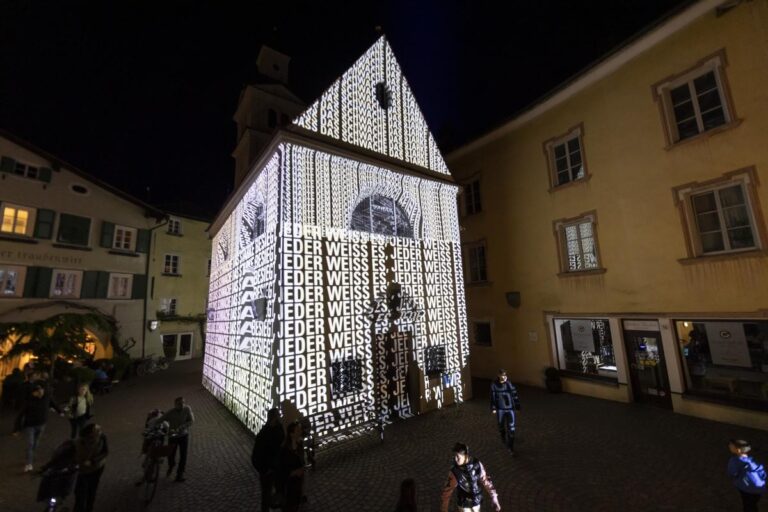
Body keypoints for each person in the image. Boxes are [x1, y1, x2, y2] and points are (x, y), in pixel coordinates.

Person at [13, 383, 64, 472]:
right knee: (30, 443)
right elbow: (20, 415)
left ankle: (30, 455)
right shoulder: (29, 401)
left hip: (41, 425)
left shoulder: (47, 398)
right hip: (30, 426)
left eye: (41, 390)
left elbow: (53, 404)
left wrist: (60, 412)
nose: (40, 392)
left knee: (35, 443)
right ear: (34, 393)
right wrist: (17, 429)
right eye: (38, 391)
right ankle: (29, 463)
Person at [440, 443, 500, 512]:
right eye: (454, 456)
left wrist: (494, 497)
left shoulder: (476, 464)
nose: (455, 459)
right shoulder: (455, 472)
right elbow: (447, 491)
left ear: (465, 456)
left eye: (458, 457)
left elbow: (486, 480)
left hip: (477, 502)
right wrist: (444, 508)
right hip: (464, 506)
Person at [252, 408, 285, 512]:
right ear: (274, 418)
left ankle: (276, 505)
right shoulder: (263, 435)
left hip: (277, 468)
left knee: (279, 491)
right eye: (278, 416)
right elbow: (256, 457)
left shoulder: (278, 429)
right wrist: (264, 470)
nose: (280, 417)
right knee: (266, 495)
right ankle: (272, 505)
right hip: (269, 471)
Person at [158, 396, 194, 482]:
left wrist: (183, 427)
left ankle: (179, 474)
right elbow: (161, 419)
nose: (182, 405)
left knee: (183, 456)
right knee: (171, 455)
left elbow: (191, 420)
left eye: (183, 403)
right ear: (175, 405)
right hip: (173, 436)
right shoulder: (171, 413)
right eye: (179, 404)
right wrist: (154, 425)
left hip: (183, 436)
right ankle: (171, 465)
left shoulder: (187, 409)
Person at [727, 439, 766, 512]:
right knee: (753, 504)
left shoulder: (734, 461)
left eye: (731, 446)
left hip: (747, 489)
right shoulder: (752, 459)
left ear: (738, 450)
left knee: (747, 505)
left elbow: (733, 473)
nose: (729, 447)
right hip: (759, 488)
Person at [489, 369, 521, 453]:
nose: (503, 377)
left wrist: (517, 407)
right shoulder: (494, 385)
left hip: (510, 409)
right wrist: (493, 408)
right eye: (502, 375)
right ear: (498, 375)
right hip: (500, 409)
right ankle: (503, 436)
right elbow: (492, 397)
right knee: (501, 425)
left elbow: (515, 395)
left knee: (512, 428)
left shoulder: (509, 384)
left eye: (504, 375)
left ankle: (510, 447)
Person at [277, 421, 305, 512]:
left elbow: (301, 461)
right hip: (288, 486)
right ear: (291, 434)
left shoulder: (299, 444)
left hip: (298, 483)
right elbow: (280, 470)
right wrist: (293, 472)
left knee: (296, 504)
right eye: (298, 430)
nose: (300, 431)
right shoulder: (284, 449)